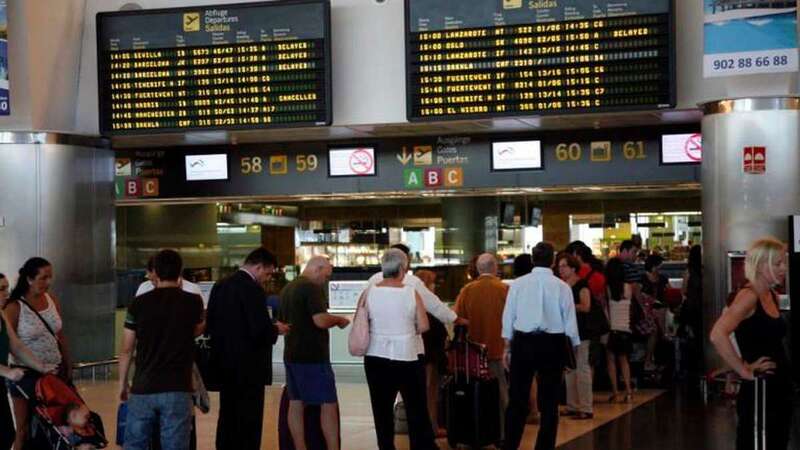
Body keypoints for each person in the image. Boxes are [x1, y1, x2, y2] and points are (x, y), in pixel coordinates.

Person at [710, 237, 792, 450]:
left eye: (784, 262)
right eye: (778, 263)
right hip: (761, 388)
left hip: (777, 387)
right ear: (761, 265)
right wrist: (743, 370)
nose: (784, 268)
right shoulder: (749, 296)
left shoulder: (770, 294)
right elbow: (718, 334)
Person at [119, 249, 205, 450]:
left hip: (143, 387)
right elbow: (197, 329)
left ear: (155, 272)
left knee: (135, 446)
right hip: (178, 388)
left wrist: (123, 384)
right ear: (180, 271)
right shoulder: (192, 301)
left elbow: (126, 348)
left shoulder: (138, 303)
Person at [207, 248, 290, 450]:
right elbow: (259, 329)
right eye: (268, 273)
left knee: (227, 415)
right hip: (249, 367)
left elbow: (211, 322)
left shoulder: (221, 285)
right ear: (258, 266)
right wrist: (275, 329)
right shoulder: (252, 289)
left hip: (224, 364)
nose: (267, 278)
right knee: (249, 419)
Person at [502, 242, 579, 450]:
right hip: (553, 344)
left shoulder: (517, 284)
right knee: (550, 402)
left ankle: (510, 445)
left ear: (533, 259)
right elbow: (570, 323)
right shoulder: (562, 287)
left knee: (517, 399)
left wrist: (506, 347)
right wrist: (573, 350)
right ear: (553, 260)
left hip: (523, 342)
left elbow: (508, 316)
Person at [362, 249, 436, 450]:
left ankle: (386, 447)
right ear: (403, 268)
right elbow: (424, 325)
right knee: (416, 409)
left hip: (375, 357)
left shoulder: (369, 292)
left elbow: (361, 321)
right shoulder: (410, 292)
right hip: (407, 357)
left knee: (381, 410)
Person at [278, 256, 350, 450]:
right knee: (328, 404)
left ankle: (300, 447)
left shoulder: (288, 288)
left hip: (291, 353)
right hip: (313, 356)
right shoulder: (311, 288)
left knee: (296, 402)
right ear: (317, 269)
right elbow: (320, 320)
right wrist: (339, 320)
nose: (325, 280)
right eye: (325, 276)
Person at [5, 257, 71, 450]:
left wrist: (67, 361)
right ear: (29, 279)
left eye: (50, 277)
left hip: (54, 373)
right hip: (26, 375)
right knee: (23, 429)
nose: (48, 282)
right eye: (43, 278)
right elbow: (10, 342)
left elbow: (60, 335)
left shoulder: (52, 300)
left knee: (58, 425)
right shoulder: (15, 306)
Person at [367, 244, 466, 356]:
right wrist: (455, 319)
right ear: (403, 261)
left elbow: (363, 310)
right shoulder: (412, 282)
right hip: (406, 348)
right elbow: (434, 306)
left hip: (376, 348)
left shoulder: (373, 280)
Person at [453, 253, 509, 435]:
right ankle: (502, 432)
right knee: (500, 392)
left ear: (478, 269)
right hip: (497, 349)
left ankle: (476, 431)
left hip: (473, 353)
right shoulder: (504, 289)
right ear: (495, 268)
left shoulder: (467, 290)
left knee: (475, 393)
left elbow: (457, 319)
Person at [556, 253, 593, 420]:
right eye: (559, 266)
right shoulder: (562, 285)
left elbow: (586, 306)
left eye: (564, 266)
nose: (561, 269)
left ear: (572, 267)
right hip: (567, 331)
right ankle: (573, 405)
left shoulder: (582, 284)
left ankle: (586, 407)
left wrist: (569, 307)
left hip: (582, 330)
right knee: (570, 369)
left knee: (581, 368)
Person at [414, 269, 448, 438]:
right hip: (430, 356)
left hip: (417, 355)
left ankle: (426, 427)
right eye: (433, 282)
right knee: (430, 392)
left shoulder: (413, 304)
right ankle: (431, 427)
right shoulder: (431, 308)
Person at [604, 258, 634, 403]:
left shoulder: (608, 289)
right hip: (626, 328)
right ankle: (628, 392)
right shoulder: (628, 287)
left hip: (613, 329)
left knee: (611, 360)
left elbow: (606, 310)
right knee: (624, 361)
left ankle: (615, 392)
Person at [642, 254, 669, 370]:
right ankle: (649, 360)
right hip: (648, 310)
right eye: (659, 266)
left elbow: (669, 291)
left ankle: (656, 359)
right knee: (655, 331)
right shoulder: (642, 278)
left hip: (660, 309)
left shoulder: (662, 278)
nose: (659, 269)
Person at [135, 255, 203, 299]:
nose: (156, 283)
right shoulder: (144, 288)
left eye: (158, 279)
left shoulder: (192, 290)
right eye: (152, 280)